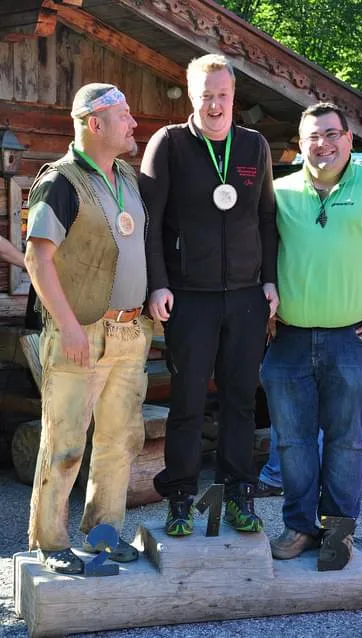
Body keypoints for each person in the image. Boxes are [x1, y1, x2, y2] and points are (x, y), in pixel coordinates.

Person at [261, 102, 362, 565]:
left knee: (347, 440)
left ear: (349, 139)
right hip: (288, 338)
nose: (323, 144)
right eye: (313, 136)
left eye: (332, 134)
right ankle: (299, 527)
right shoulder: (279, 192)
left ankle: (339, 530)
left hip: (356, 339)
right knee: (291, 441)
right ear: (301, 143)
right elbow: (257, 252)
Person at [140, 54, 278, 537]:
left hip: (246, 296)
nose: (214, 105)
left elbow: (266, 218)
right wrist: (157, 283)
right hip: (188, 296)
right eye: (206, 96)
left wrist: (269, 279)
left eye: (222, 95)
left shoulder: (254, 145)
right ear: (192, 95)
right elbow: (150, 221)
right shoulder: (169, 143)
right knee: (188, 401)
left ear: (234, 96)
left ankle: (238, 493)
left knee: (241, 400)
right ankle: (179, 498)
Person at [25, 83, 152, 574]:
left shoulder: (126, 175)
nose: (134, 124)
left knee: (120, 442)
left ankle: (104, 533)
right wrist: (68, 326)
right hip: (80, 335)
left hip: (130, 332)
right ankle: (50, 543)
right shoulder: (59, 181)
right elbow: (38, 259)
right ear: (95, 124)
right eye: (125, 116)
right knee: (64, 444)